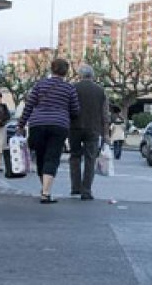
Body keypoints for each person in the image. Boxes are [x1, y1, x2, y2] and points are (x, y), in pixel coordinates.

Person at [17, 58, 80, 204]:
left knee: (40, 158)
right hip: (59, 125)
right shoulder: (69, 88)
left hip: (37, 124)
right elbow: (75, 110)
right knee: (52, 158)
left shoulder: (40, 85)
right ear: (66, 71)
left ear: (52, 69)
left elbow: (29, 106)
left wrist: (21, 124)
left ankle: (45, 190)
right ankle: (45, 192)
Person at [69, 64, 110, 201]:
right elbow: (105, 114)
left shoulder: (73, 89)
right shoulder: (100, 91)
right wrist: (106, 134)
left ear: (80, 75)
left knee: (75, 156)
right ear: (92, 76)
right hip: (93, 128)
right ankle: (86, 190)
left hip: (74, 127)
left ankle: (75, 186)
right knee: (90, 158)